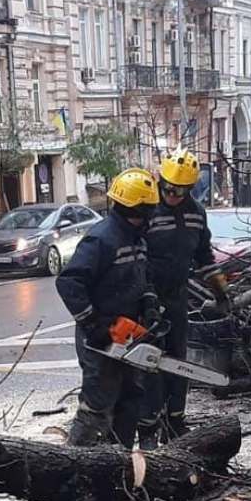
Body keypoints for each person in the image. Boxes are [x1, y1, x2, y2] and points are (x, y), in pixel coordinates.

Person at [56, 168, 162, 449]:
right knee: (97, 404)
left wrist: (149, 303)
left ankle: (120, 460)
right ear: (134, 208)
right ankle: (74, 464)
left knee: (131, 396)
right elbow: (69, 282)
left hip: (128, 332)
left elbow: (145, 277)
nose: (150, 217)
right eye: (147, 211)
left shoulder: (137, 238)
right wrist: (94, 325)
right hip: (101, 335)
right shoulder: (102, 239)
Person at [137, 148, 230, 447]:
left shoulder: (196, 213)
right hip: (145, 296)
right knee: (149, 363)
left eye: (178, 191)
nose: (171, 195)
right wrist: (145, 296)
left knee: (178, 361)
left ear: (190, 189)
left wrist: (219, 288)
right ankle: (147, 426)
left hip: (177, 296)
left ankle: (175, 420)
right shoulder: (148, 211)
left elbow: (204, 254)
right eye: (166, 188)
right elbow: (135, 256)